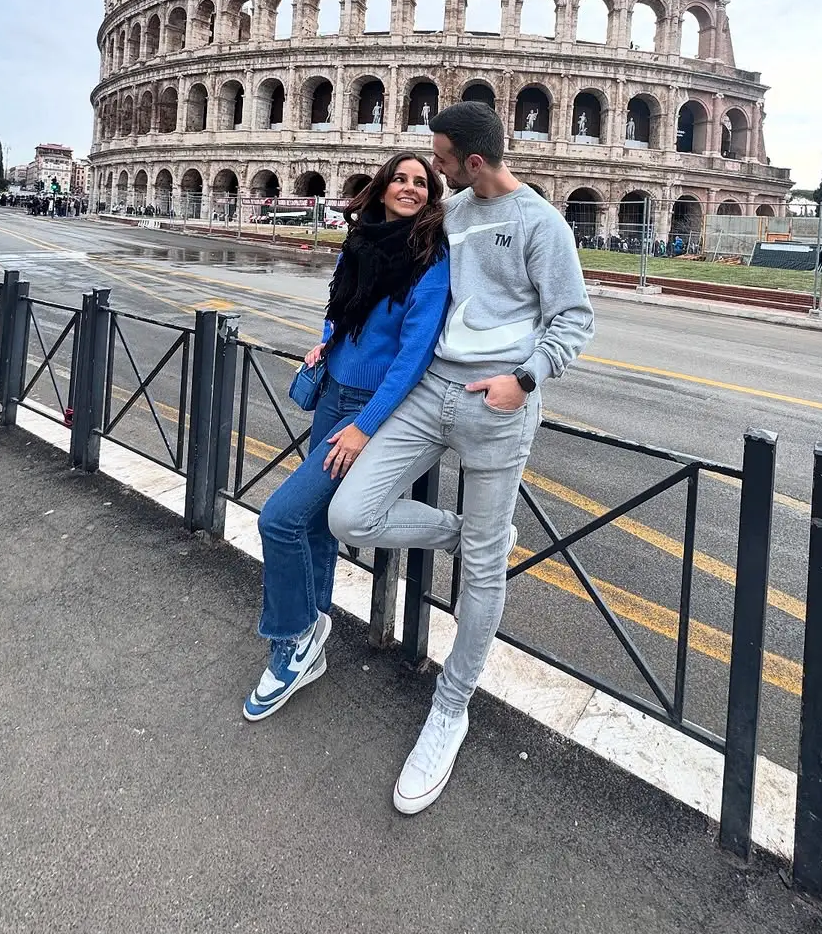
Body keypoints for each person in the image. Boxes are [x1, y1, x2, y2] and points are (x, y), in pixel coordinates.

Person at [329, 102, 594, 814]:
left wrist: (524, 378)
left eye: (442, 159)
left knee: (481, 574)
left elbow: (575, 318)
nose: (435, 168)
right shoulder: (454, 215)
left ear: (474, 161)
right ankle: (472, 535)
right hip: (431, 389)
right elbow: (395, 262)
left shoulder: (541, 223)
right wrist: (336, 325)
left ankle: (452, 707)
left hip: (498, 403)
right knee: (350, 511)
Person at [244, 153, 450, 722]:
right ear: (382, 188)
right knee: (310, 524)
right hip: (333, 389)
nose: (409, 187)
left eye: (421, 182)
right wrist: (326, 343)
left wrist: (363, 428)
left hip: (364, 409)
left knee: (279, 518)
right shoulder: (359, 243)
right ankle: (311, 629)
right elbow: (341, 310)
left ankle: (290, 641)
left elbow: (412, 358)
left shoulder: (432, 259)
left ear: (431, 195)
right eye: (401, 179)